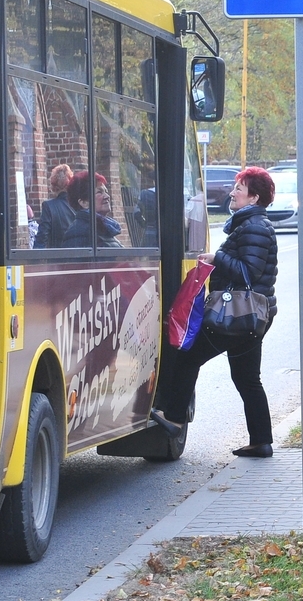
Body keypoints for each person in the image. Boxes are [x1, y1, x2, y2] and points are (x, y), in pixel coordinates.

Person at [151, 167, 278, 458]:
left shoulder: (255, 227)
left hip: (238, 314)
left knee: (187, 356)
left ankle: (174, 417)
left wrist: (216, 258)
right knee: (247, 378)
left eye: (239, 189)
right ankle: (261, 441)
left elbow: (248, 272)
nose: (232, 193)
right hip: (253, 316)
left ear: (254, 197)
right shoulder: (251, 224)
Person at [58, 172, 123, 249]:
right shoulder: (80, 233)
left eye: (106, 191)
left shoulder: (102, 228)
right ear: (83, 203)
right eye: (99, 192)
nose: (107, 196)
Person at [32, 164, 75, 249]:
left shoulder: (48, 206)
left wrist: (35, 259)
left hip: (57, 257)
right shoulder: (79, 204)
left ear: (53, 185)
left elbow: (42, 237)